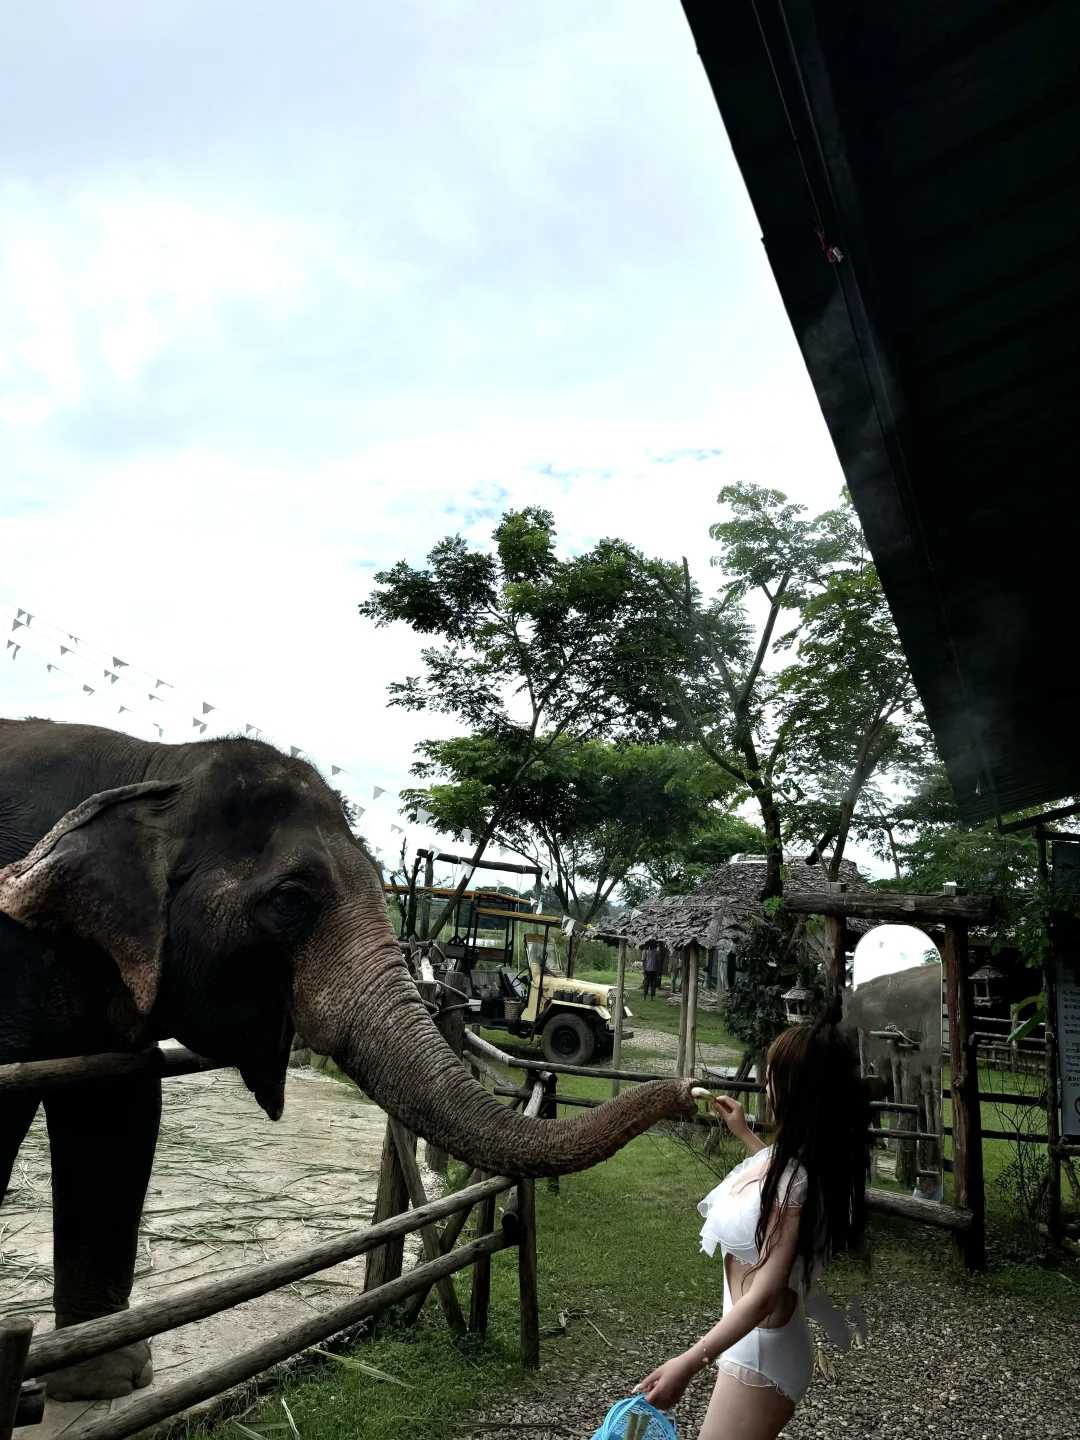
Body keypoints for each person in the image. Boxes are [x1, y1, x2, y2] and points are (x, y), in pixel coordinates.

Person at [634, 1018, 871, 1439]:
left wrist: (687, 1363)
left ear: (798, 1090)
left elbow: (762, 1297)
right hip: (754, 1347)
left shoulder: (797, 1177)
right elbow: (779, 1194)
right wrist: (744, 1134)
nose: (766, 1086)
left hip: (762, 1355)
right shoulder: (798, 1163)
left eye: (774, 1076)